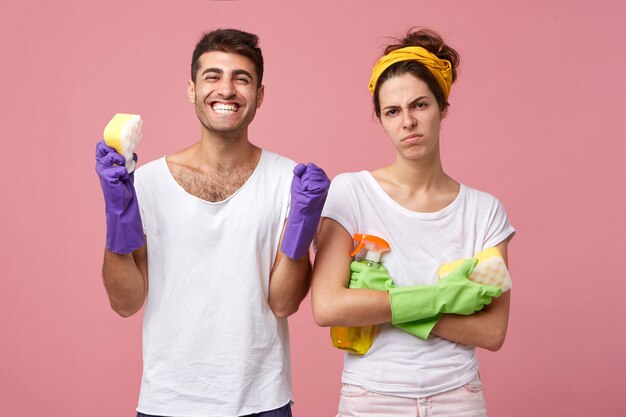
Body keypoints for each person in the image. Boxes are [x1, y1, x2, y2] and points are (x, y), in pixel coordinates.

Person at [95, 28, 329, 417]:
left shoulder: (290, 181)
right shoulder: (147, 182)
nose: (227, 90)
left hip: (262, 400)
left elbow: (284, 303)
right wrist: (117, 212)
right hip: (168, 401)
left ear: (260, 94)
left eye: (242, 78)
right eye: (212, 76)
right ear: (191, 89)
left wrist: (300, 230)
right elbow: (125, 303)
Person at [311, 28, 515, 416]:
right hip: (370, 399)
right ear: (382, 120)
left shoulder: (486, 212)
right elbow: (327, 306)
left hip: (458, 397)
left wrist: (380, 301)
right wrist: (447, 299)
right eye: (392, 111)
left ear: (442, 108)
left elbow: (492, 331)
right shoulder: (351, 192)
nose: (408, 121)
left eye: (419, 105)